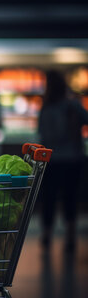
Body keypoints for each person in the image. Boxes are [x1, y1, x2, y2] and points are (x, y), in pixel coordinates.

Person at [38, 70, 88, 251]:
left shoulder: (47, 106)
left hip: (51, 159)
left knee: (49, 198)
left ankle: (46, 235)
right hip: (73, 158)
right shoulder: (73, 105)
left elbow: (42, 134)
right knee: (70, 197)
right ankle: (70, 235)